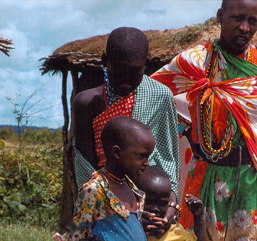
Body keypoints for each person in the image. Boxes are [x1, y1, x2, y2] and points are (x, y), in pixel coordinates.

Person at [151, 0, 257, 240]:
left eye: (253, 21)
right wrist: (186, 131)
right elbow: (153, 94)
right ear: (220, 15)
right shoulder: (196, 62)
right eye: (238, 18)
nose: (245, 27)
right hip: (206, 177)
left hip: (252, 180)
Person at [73, 27, 179, 233]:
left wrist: (170, 206)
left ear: (146, 65)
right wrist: (116, 206)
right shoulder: (86, 103)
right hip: (103, 205)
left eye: (135, 73)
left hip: (152, 207)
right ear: (104, 61)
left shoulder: (160, 96)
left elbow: (168, 159)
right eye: (119, 71)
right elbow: (84, 164)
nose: (126, 81)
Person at [68, 116, 155, 240]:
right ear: (117, 153)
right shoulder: (95, 191)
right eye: (141, 156)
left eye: (148, 157)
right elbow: (78, 236)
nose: (146, 163)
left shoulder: (132, 188)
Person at [134, 166, 206, 241]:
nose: (156, 209)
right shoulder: (129, 227)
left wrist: (199, 218)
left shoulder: (175, 232)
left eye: (163, 203)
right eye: (149, 201)